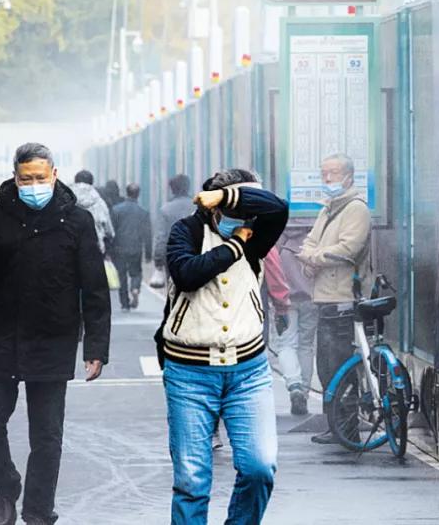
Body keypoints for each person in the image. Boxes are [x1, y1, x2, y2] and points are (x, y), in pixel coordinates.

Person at [0, 142, 111, 525]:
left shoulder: (77, 221)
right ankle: (5, 486)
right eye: (25, 179)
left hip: (52, 341)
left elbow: (96, 290)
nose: (33, 184)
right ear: (15, 177)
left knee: (47, 438)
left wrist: (96, 346)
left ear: (54, 174)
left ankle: (37, 513)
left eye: (40, 177)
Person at [159, 169, 288, 525]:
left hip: (248, 372)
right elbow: (187, 274)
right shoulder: (186, 231)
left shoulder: (257, 234)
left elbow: (278, 207)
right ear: (212, 208)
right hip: (189, 373)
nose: (246, 219)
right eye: (237, 209)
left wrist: (230, 198)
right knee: (192, 481)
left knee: (260, 467)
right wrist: (234, 247)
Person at [296, 153, 371, 444]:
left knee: (340, 363)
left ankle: (347, 426)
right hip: (323, 297)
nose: (328, 179)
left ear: (349, 177)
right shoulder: (327, 209)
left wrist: (313, 257)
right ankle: (335, 424)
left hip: (343, 297)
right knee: (326, 364)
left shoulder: (355, 209)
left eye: (334, 173)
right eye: (323, 173)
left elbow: (348, 249)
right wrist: (308, 259)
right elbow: (311, 242)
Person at [269, 229, 316, 416]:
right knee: (306, 345)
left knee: (286, 344)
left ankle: (294, 385)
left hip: (285, 301)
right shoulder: (316, 232)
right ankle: (303, 391)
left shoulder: (278, 238)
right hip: (312, 298)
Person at [110, 182, 152, 311]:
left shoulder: (116, 210)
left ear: (126, 192)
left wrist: (109, 249)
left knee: (121, 275)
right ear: (138, 194)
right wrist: (148, 252)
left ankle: (125, 304)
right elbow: (147, 234)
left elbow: (111, 230)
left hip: (119, 248)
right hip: (136, 247)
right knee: (136, 272)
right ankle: (135, 288)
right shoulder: (143, 212)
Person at [153, 173, 195, 284]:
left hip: (173, 257)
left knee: (174, 290)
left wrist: (158, 260)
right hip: (196, 255)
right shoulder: (198, 207)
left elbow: (161, 238)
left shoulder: (165, 210)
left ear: (172, 189)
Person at [70, 169, 114, 254]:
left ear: (75, 181)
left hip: (69, 249)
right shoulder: (99, 203)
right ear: (91, 183)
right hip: (93, 250)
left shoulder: (64, 200)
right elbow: (109, 230)